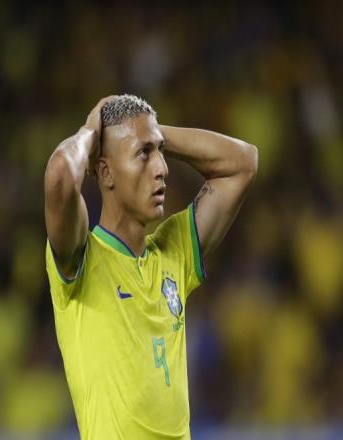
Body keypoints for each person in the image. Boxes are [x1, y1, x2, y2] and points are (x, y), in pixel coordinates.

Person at [44, 94, 258, 439]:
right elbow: (59, 176)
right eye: (144, 154)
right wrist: (91, 131)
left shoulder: (173, 252)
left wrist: (153, 133)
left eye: (160, 152)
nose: (162, 168)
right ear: (106, 172)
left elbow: (243, 162)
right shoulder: (81, 259)